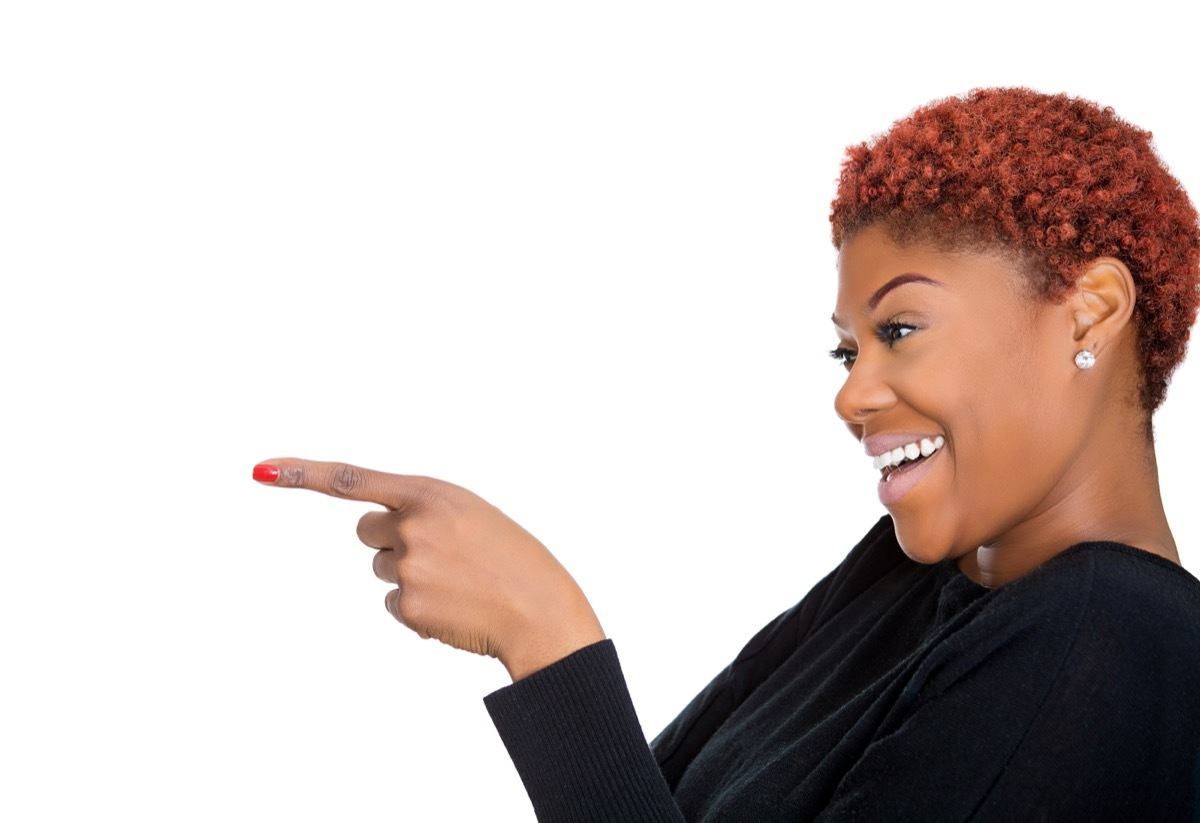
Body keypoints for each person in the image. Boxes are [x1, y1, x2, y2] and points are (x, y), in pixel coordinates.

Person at [252, 88, 1200, 820]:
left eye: (900, 328)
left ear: (1092, 311)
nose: (851, 392)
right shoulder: (906, 580)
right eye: (847, 348)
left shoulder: (1108, 640)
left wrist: (543, 634)